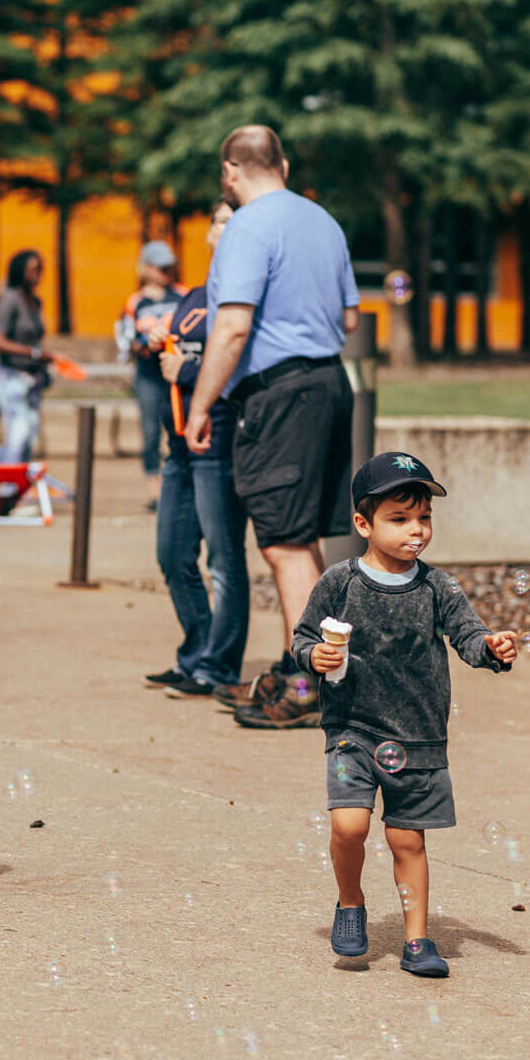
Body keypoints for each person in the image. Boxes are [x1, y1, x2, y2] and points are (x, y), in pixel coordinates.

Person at [292, 453, 518, 976]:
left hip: (417, 735)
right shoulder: (339, 582)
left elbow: (468, 636)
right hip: (352, 727)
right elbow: (303, 638)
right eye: (400, 519)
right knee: (349, 826)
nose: (416, 531)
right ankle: (350, 904)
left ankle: (417, 940)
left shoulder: (438, 588)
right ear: (363, 524)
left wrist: (493, 647)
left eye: (424, 518)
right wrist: (313, 657)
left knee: (406, 839)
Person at [185, 125, 362, 724]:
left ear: (229, 172)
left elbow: (232, 326)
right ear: (281, 163)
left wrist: (201, 405)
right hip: (332, 385)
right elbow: (352, 317)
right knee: (302, 536)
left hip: (280, 394)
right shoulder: (324, 221)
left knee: (284, 544)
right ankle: (301, 669)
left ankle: (310, 690)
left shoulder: (247, 225)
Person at [143, 201, 248, 699]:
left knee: (223, 561)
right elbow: (187, 349)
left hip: (218, 442)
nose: (224, 229)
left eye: (234, 220)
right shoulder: (194, 296)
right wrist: (161, 341)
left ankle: (220, 666)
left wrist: (184, 370)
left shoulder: (244, 293)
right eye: (218, 221)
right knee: (172, 554)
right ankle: (197, 652)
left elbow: (238, 359)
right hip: (179, 448)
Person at [118, 241, 186, 511]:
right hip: (148, 375)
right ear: (146, 268)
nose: (166, 271)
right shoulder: (135, 302)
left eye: (169, 266)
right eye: (160, 266)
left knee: (179, 428)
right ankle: (155, 492)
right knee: (149, 433)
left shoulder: (182, 295)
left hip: (177, 373)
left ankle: (178, 487)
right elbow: (126, 338)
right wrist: (140, 344)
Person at [0, 250, 50, 462]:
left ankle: (19, 486)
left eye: (41, 270)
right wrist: (33, 353)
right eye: (34, 270)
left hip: (32, 376)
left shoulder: (35, 301)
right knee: (18, 432)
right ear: (20, 271)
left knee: (30, 434)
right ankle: (7, 486)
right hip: (10, 375)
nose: (38, 275)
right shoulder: (9, 300)